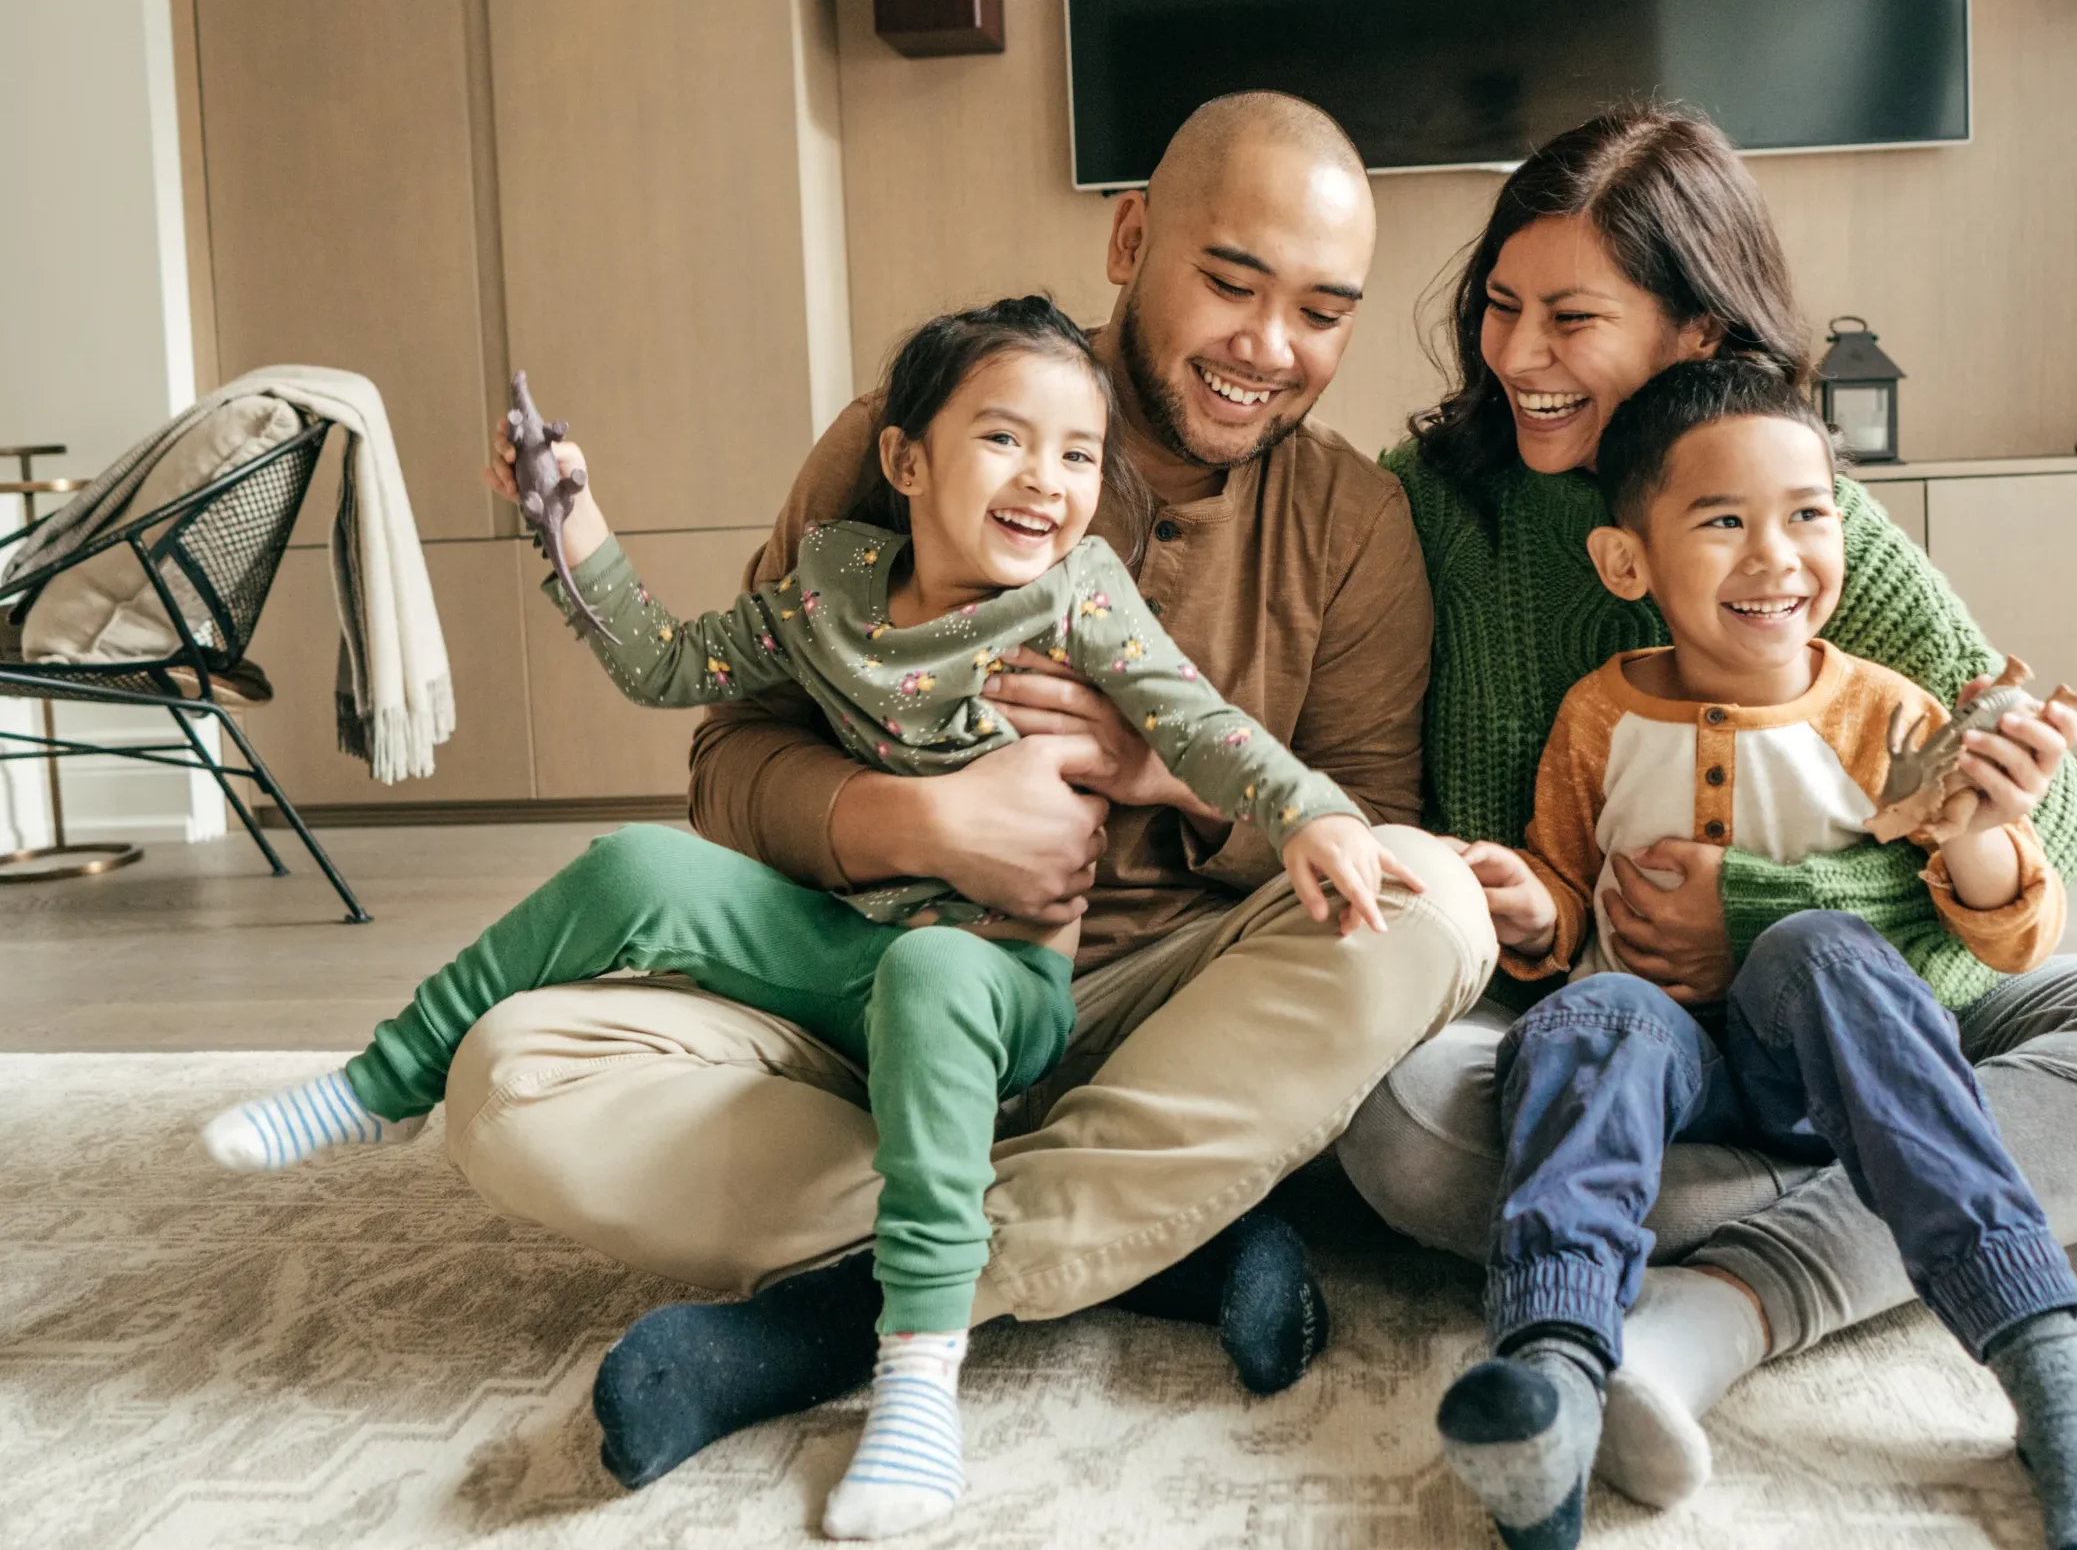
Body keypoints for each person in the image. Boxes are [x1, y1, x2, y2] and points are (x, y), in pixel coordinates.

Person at [201, 296, 1419, 1539]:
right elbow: (671, 666)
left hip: (994, 988)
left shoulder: (1077, 597)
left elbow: (1200, 724)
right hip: (845, 957)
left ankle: (915, 1371)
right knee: (632, 867)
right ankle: (378, 1084)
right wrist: (570, 520)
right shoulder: (835, 579)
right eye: (1004, 440)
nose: (1046, 483)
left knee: (938, 973)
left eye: (1077, 455)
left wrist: (1311, 811)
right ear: (906, 460)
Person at [421, 92, 1498, 1490]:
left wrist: (1160, 770)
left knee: (1433, 907)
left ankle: (833, 1314)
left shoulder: (1355, 525)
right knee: (511, 1082)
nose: (1269, 349)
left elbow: (1359, 821)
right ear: (1128, 239)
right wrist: (921, 824)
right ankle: (1147, 1234)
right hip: (871, 1000)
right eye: (1231, 282)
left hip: (1157, 1020)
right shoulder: (913, 433)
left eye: (1321, 311)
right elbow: (728, 756)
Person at [1339, 105, 2077, 1510]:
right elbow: (1489, 865)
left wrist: (1763, 911)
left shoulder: (1791, 510)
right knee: (1403, 1129)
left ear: (1698, 338)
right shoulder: (1432, 503)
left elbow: (2060, 831)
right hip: (1609, 1034)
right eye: (1500, 307)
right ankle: (2063, 1216)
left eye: (1571, 318)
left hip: (1857, 1014)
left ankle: (1712, 1311)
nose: (1518, 356)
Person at [1433, 358, 2077, 1550]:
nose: (1776, 557)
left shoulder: (1888, 714)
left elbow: (2015, 935)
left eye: (1808, 515)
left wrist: (1986, 831)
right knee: (1590, 1017)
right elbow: (1568, 892)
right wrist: (1533, 911)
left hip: (1842, 1067)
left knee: (1821, 947)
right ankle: (1554, 1381)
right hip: (1665, 1083)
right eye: (1723, 522)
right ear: (1629, 563)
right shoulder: (1597, 716)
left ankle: (2050, 1376)